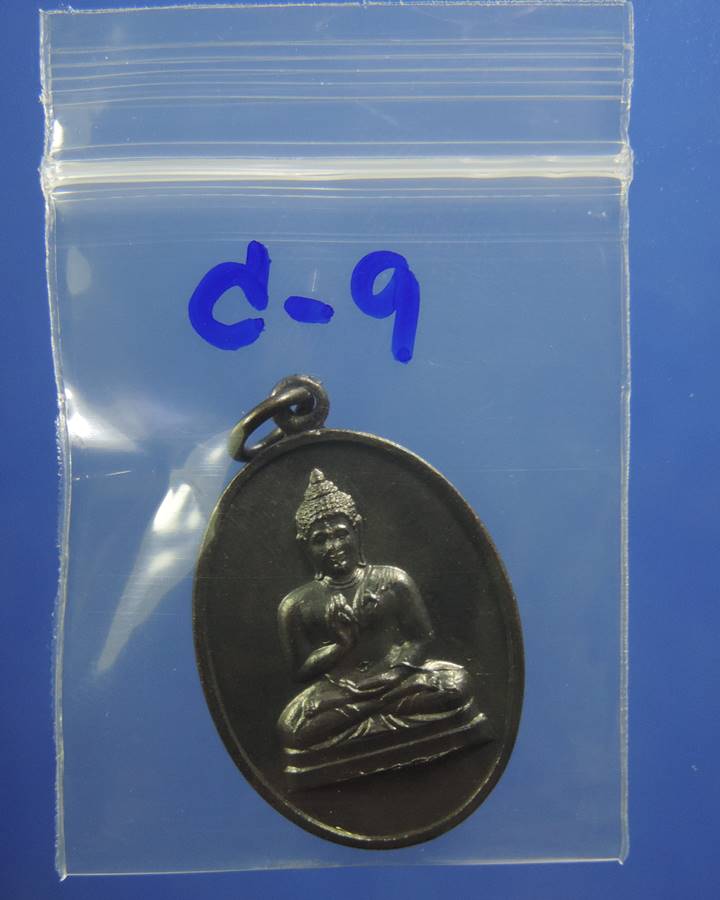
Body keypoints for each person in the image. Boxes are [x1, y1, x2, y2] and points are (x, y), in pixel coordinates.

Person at [276, 470, 488, 785]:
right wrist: (341, 645)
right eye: (320, 540)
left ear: (357, 529)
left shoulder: (393, 580)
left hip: (396, 677)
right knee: (292, 729)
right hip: (339, 690)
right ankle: (379, 710)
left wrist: (392, 675)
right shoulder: (297, 604)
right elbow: (301, 670)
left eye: (341, 534)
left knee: (456, 683)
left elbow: (421, 638)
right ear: (304, 545)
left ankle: (371, 713)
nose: (333, 546)